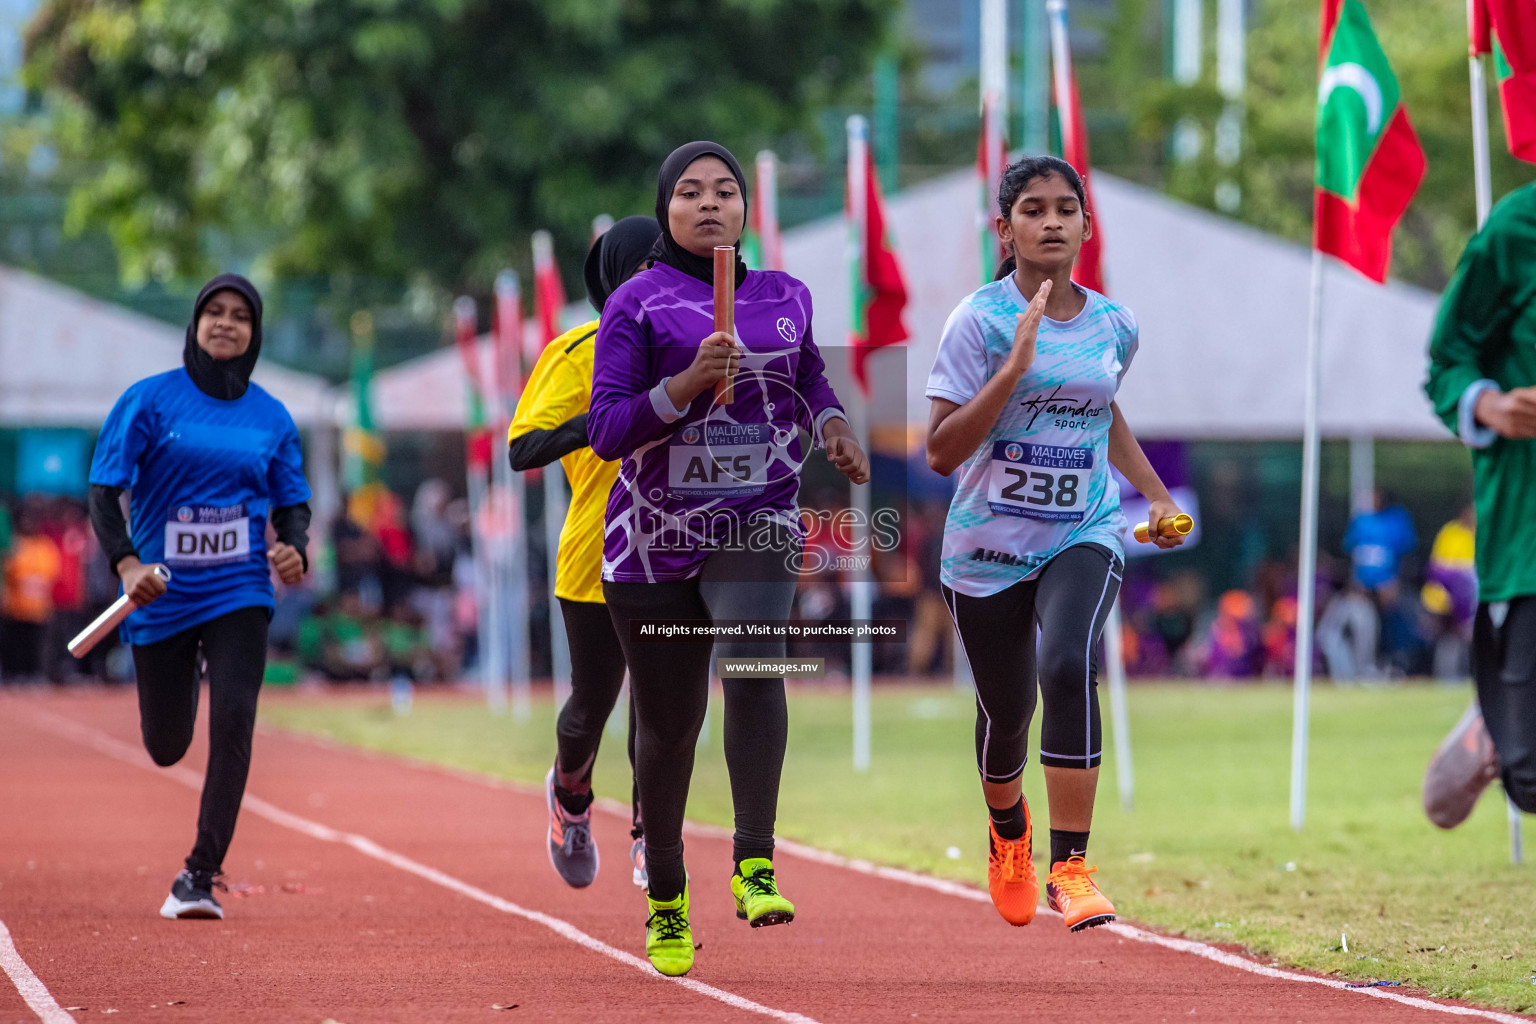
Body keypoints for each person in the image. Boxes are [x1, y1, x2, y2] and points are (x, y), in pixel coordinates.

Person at [588, 141, 868, 976]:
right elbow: (606, 431)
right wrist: (680, 388)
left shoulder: (786, 296)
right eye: (690, 193)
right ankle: (667, 896)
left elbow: (812, 377)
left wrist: (833, 425)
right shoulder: (637, 305)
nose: (709, 204)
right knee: (668, 730)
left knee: (755, 656)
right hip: (652, 540)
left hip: (757, 517)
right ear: (666, 208)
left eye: (725, 191)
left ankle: (755, 863)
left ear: (747, 209)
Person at [924, 155, 1185, 933]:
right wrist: (1012, 370)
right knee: (1007, 714)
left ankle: (1071, 868)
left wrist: (1158, 495)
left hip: (1084, 528)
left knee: (1067, 661)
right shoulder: (977, 320)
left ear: (1085, 225)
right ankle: (1010, 837)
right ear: (1004, 229)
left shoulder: (1116, 324)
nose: (1051, 221)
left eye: (1065, 208)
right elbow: (939, 451)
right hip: (985, 548)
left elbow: (1103, 412)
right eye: (1032, 209)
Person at [87, 273, 311, 919]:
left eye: (241, 315)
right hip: (159, 594)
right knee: (166, 745)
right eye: (214, 311)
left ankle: (199, 874)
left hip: (240, 586)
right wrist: (126, 563)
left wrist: (292, 546)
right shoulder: (150, 401)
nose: (226, 323)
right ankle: (181, 675)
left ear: (254, 332)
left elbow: (293, 502)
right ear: (195, 322)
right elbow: (105, 491)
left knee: (235, 717)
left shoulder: (271, 415)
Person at [506, 215, 659, 890]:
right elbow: (522, 449)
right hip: (595, 555)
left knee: (663, 701)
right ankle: (570, 797)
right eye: (645, 265)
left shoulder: (698, 344)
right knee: (592, 702)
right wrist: (600, 420)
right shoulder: (576, 352)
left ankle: (654, 835)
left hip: (677, 553)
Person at [1422, 182, 1536, 829]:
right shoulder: (1517, 228)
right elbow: (1447, 363)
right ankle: (1500, 731)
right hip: (1527, 536)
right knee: (1531, 778)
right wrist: (1488, 404)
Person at [0, 503, 62, 682]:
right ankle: (15, 673)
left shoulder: (45, 546)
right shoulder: (15, 544)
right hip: (18, 607)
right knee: (16, 643)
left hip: (39, 608)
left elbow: (52, 572)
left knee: (36, 644)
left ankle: (35, 673)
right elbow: (9, 570)